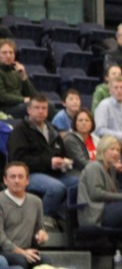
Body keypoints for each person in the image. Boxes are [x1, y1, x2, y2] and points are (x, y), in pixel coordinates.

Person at [6, 94, 79, 222]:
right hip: (30, 174)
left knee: (80, 182)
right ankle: (42, 221)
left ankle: (63, 217)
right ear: (29, 110)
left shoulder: (52, 130)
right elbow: (18, 160)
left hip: (55, 173)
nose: (40, 111)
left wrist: (64, 162)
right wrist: (48, 162)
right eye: (37, 108)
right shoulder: (20, 131)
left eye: (44, 108)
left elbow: (62, 153)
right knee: (56, 188)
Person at [77, 135, 122, 227]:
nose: (115, 153)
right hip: (96, 213)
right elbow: (96, 194)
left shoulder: (111, 169)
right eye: (112, 149)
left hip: (108, 207)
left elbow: (115, 192)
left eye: (118, 150)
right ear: (103, 150)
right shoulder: (94, 167)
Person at [0, 162, 47, 269]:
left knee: (45, 261)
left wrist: (41, 236)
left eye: (20, 177)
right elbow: (1, 239)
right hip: (4, 251)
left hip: (26, 250)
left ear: (27, 180)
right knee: (21, 261)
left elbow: (39, 229)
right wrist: (22, 252)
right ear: (5, 180)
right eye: (12, 177)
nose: (17, 180)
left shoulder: (36, 202)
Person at [0, 38, 39, 118]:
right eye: (4, 53)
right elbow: (2, 96)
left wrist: (23, 76)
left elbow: (33, 95)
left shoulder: (15, 71)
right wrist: (23, 100)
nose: (8, 56)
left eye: (11, 53)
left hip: (19, 105)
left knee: (48, 106)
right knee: (32, 108)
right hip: (5, 109)